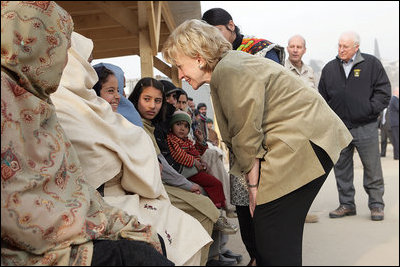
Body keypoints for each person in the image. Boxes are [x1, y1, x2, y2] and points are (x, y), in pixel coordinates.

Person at [162, 19, 352, 266]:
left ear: (198, 58)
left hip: (302, 144)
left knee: (271, 232)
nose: (180, 75)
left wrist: (253, 191)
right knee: (274, 234)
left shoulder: (229, 70)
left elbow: (246, 134)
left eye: (179, 65)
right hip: (303, 142)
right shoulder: (230, 66)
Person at [1, 2, 172, 266]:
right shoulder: (10, 99)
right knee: (140, 256)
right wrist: (91, 224)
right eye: (58, 44)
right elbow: (18, 212)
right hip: (29, 247)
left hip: (66, 221)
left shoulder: (38, 102)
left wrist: (109, 221)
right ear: (33, 42)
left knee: (153, 239)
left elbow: (72, 185)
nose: (64, 58)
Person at [51, 31, 212, 266]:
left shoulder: (93, 106)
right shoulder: (61, 106)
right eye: (87, 60)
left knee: (196, 221)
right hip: (100, 200)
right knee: (179, 230)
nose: (117, 97)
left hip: (133, 189)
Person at [127, 77, 229, 266]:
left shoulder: (151, 126)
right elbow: (161, 166)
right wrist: (188, 184)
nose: (153, 106)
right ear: (136, 99)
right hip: (142, 189)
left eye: (157, 101)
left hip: (158, 184)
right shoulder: (134, 124)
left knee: (206, 203)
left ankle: (210, 256)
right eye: (146, 99)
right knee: (205, 209)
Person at [318, 31, 392, 221]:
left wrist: (370, 109)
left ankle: (376, 205)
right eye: (339, 45)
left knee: (372, 167)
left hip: (365, 126)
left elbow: (384, 92)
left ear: (356, 47)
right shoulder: (329, 69)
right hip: (340, 128)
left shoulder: (371, 64)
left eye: (345, 46)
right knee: (342, 168)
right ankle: (346, 204)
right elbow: (322, 97)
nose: (341, 50)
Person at [167, 110, 238, 233]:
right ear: (172, 125)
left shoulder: (186, 141)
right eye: (178, 124)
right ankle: (216, 214)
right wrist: (195, 163)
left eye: (185, 126)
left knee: (214, 183)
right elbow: (178, 155)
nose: (182, 129)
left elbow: (197, 152)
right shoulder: (172, 139)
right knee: (215, 184)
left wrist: (200, 141)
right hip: (187, 172)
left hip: (194, 170)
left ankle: (220, 210)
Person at [202, 7, 285, 65]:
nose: (214, 38)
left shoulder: (260, 49)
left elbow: (276, 81)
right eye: (209, 35)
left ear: (231, 25)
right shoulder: (213, 58)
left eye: (217, 31)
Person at [93, 62, 144, 127]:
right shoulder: (85, 120)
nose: (119, 96)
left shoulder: (129, 121)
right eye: (111, 91)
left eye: (118, 90)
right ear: (95, 91)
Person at [388, 86, 399, 160]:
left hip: (395, 123)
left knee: (396, 140)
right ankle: (397, 156)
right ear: (396, 92)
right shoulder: (394, 99)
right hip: (396, 123)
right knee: (397, 140)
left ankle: (396, 155)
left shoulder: (395, 99)